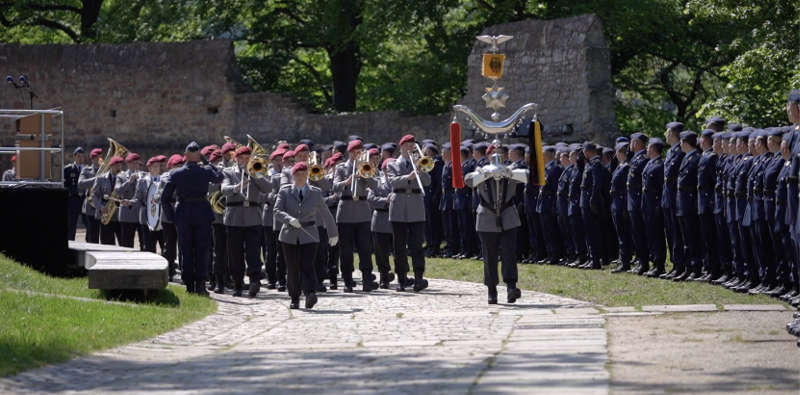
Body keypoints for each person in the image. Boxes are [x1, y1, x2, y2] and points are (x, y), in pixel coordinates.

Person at [464, 144, 528, 304]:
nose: (496, 157)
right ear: (488, 157)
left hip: (508, 215)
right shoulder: (481, 170)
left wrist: (506, 172)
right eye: (493, 154)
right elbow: (468, 181)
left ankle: (511, 287)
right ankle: (491, 290)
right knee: (489, 255)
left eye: (500, 153)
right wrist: (487, 172)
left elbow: (527, 175)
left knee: (509, 253)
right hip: (487, 215)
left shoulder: (512, 169)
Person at [274, 162, 339, 309]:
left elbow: (325, 213)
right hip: (289, 235)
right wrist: (289, 219)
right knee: (292, 267)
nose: (300, 177)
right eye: (297, 175)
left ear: (308, 175)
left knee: (308, 265)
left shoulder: (315, 192)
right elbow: (277, 211)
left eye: (303, 174)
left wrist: (333, 233)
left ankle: (310, 293)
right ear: (293, 176)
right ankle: (294, 298)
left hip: (309, 234)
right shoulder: (285, 192)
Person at [161, 141, 223, 295]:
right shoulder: (205, 171)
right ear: (198, 155)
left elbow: (164, 198)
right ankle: (201, 285)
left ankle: (189, 285)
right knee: (202, 250)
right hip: (202, 212)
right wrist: (208, 162)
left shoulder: (175, 173)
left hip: (183, 213)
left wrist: (172, 217)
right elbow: (219, 177)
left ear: (185, 156)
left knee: (186, 250)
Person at [222, 146, 271, 297]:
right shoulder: (228, 172)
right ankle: (238, 284)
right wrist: (237, 187)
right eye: (242, 158)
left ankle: (255, 281)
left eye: (247, 158)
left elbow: (268, 188)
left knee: (254, 252)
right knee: (235, 253)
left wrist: (256, 176)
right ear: (236, 159)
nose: (245, 161)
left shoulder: (257, 171)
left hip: (253, 217)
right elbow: (224, 189)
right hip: (234, 217)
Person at [386, 134, 431, 292]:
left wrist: (421, 168)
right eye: (409, 146)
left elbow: (427, 182)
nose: (412, 148)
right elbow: (392, 181)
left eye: (413, 146)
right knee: (399, 246)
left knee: (417, 245)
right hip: (398, 207)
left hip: (416, 207)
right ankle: (402, 278)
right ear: (402, 147)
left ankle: (419, 277)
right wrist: (409, 176)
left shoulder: (419, 163)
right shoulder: (392, 164)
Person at [332, 140, 379, 292]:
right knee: (346, 249)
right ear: (350, 153)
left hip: (363, 211)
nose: (358, 154)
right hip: (345, 211)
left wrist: (365, 174)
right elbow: (334, 186)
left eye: (360, 151)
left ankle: (367, 280)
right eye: (355, 152)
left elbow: (374, 186)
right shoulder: (341, 167)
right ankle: (347, 280)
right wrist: (347, 181)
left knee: (365, 248)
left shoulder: (366, 166)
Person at [579, 143, 611, 269]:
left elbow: (596, 184)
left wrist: (593, 199)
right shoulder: (590, 164)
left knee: (593, 232)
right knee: (588, 232)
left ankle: (596, 259)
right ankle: (592, 257)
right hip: (585, 201)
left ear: (588, 152)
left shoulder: (596, 164)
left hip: (590, 203)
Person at [660, 123, 686, 279]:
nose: (665, 135)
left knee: (677, 233)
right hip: (667, 197)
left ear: (673, 134)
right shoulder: (670, 152)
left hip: (676, 198)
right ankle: (675, 263)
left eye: (668, 132)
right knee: (670, 233)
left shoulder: (680, 152)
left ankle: (681, 264)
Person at [675, 131, 702, 280]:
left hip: (690, 203)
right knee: (686, 237)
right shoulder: (687, 157)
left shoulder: (695, 158)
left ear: (685, 143)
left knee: (692, 237)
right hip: (683, 203)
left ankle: (695, 267)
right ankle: (688, 266)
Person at [366, 158, 397, 289]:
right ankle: (384, 277)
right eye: (388, 170)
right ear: (383, 170)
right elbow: (371, 199)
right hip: (380, 220)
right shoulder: (376, 182)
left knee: (399, 252)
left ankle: (402, 275)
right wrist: (386, 200)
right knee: (381, 254)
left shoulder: (400, 182)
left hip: (397, 220)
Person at [697, 130, 720, 281]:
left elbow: (714, 181)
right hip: (701, 201)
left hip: (707, 202)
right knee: (705, 238)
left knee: (711, 238)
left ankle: (714, 269)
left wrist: (711, 200)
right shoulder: (704, 155)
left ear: (705, 140)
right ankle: (708, 267)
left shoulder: (711, 157)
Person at [642, 138, 666, 276]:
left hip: (654, 204)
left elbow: (660, 188)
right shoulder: (650, 163)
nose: (646, 149)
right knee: (650, 234)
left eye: (648, 147)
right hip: (647, 204)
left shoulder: (659, 165)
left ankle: (659, 264)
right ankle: (654, 262)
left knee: (657, 235)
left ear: (653, 149)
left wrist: (658, 205)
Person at [626, 133, 650, 274]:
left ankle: (644, 262)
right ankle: (641, 261)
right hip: (633, 200)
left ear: (637, 143)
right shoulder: (635, 158)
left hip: (638, 200)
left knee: (640, 232)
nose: (630, 144)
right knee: (636, 232)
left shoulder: (642, 159)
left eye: (632, 142)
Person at [536, 146, 564, 265]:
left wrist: (554, 205)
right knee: (546, 232)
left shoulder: (555, 169)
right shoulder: (545, 169)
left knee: (552, 232)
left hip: (549, 204)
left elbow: (554, 189)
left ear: (549, 156)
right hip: (543, 204)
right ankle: (549, 254)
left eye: (543, 155)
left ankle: (555, 255)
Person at [133, 155, 165, 254]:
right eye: (154, 166)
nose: (156, 168)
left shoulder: (164, 181)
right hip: (147, 218)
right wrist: (129, 201)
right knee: (149, 246)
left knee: (165, 245)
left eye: (158, 166)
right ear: (149, 168)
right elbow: (137, 198)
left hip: (161, 218)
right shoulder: (142, 181)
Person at [610, 142, 633, 273]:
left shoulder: (626, 167)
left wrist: (624, 206)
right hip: (615, 203)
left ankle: (626, 261)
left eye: (617, 152)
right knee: (620, 234)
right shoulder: (620, 167)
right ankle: (623, 259)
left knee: (624, 234)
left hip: (621, 203)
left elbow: (625, 189)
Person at [92, 156, 125, 245]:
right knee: (107, 243)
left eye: (120, 165)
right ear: (111, 166)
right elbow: (94, 195)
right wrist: (101, 207)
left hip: (120, 216)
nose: (119, 168)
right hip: (106, 215)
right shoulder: (101, 178)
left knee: (124, 244)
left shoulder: (124, 178)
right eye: (117, 166)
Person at [117, 153, 142, 248]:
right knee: (127, 243)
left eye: (137, 163)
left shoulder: (143, 176)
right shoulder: (121, 176)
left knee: (144, 241)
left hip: (140, 214)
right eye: (133, 163)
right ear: (128, 164)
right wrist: (129, 182)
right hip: (127, 214)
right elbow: (117, 191)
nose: (136, 166)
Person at [78, 148, 103, 243]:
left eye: (101, 157)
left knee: (106, 234)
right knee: (92, 234)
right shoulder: (87, 170)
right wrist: (96, 179)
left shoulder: (107, 170)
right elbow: (80, 183)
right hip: (90, 205)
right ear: (92, 159)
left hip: (104, 204)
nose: (100, 159)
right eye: (97, 157)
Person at [64, 147, 86, 240]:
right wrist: (75, 191)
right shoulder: (68, 169)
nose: (80, 158)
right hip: (73, 200)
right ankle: (71, 243)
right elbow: (65, 185)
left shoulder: (87, 170)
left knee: (88, 223)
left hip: (85, 200)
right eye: (78, 156)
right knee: (71, 224)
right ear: (74, 157)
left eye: (82, 156)